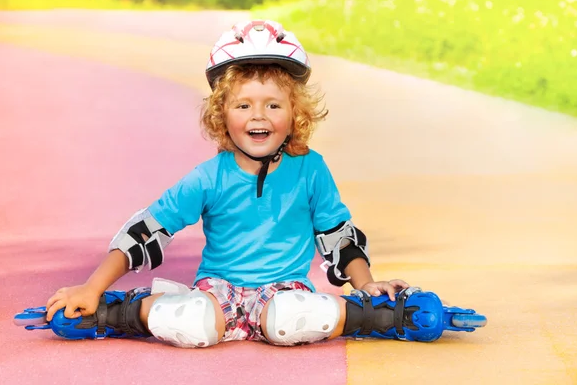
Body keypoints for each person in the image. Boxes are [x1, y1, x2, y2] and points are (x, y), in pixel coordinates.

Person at [35, 20, 482, 347]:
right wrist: (91, 289)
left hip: (285, 293)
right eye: (244, 105)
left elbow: (337, 237)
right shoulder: (209, 177)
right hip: (219, 292)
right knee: (192, 327)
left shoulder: (311, 169)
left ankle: (382, 315)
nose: (258, 116)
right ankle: (119, 311)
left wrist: (366, 285)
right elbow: (147, 229)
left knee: (293, 322)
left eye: (273, 105)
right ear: (220, 114)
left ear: (295, 114)